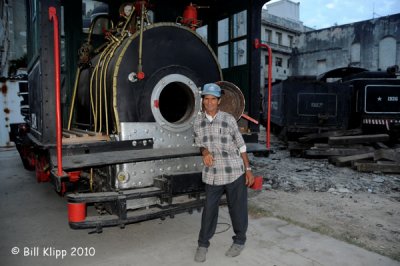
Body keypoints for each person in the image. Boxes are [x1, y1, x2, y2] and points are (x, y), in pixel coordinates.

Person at [193, 83, 255, 262]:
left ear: (219, 101)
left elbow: (241, 146)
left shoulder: (228, 119)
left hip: (234, 170)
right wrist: (205, 152)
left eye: (213, 99)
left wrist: (248, 170)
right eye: (206, 99)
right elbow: (200, 144)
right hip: (212, 173)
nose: (209, 102)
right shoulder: (198, 121)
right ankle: (203, 244)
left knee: (237, 209)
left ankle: (240, 240)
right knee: (209, 210)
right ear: (203, 100)